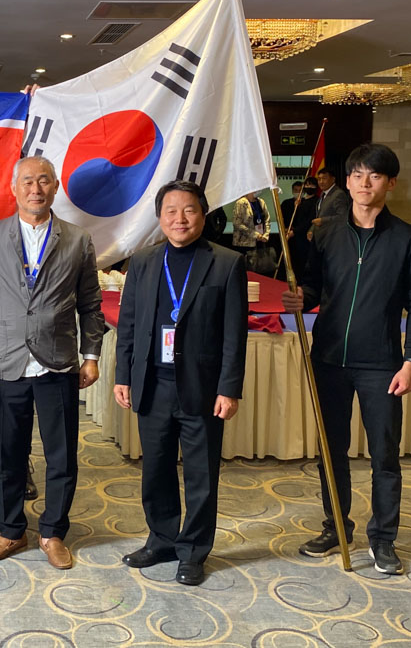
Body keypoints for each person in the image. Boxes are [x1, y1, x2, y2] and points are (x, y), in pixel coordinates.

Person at [282, 143, 411, 576]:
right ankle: (337, 527)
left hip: (382, 363)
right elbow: (315, 286)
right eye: (357, 175)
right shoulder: (326, 233)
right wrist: (302, 297)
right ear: (347, 181)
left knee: (384, 454)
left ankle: (383, 539)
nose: (365, 183)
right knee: (331, 451)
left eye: (375, 175)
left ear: (391, 183)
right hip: (328, 358)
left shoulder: (408, 239)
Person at [0, 155, 105, 570]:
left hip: (58, 364)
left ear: (55, 186)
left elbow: (90, 303)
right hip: (4, 364)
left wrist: (91, 356)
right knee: (6, 455)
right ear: (13, 187)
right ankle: (11, 530)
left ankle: (53, 532)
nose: (36, 188)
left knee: (61, 456)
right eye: (28, 181)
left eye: (44, 180)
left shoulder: (77, 239)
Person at [113, 180, 247, 586]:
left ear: (203, 214)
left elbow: (234, 333)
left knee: (200, 474)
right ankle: (162, 540)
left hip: (202, 388)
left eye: (189, 210)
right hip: (153, 383)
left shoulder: (226, 263)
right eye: (170, 211)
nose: (180, 219)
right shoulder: (143, 261)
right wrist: (123, 375)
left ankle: (193, 551)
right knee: (155, 469)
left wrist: (229, 388)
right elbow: (129, 324)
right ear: (159, 217)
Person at [232, 192, 271, 273]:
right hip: (244, 244)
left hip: (260, 241)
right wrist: (255, 235)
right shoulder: (241, 203)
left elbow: (267, 219)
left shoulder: (261, 202)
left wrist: (266, 234)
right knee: (246, 271)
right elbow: (237, 224)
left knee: (260, 270)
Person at [308, 167, 348, 242]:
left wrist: (323, 220)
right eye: (319, 179)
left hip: (333, 238)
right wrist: (311, 230)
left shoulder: (338, 194)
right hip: (321, 238)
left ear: (333, 179)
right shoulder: (323, 193)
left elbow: (343, 216)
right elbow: (319, 215)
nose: (321, 182)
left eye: (324, 178)